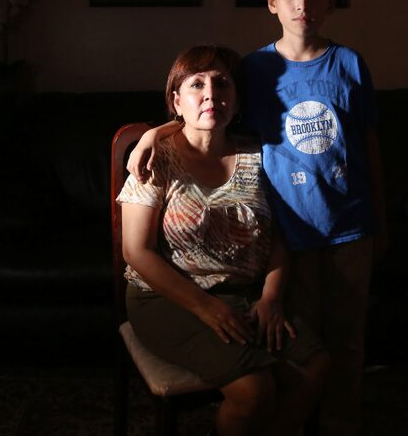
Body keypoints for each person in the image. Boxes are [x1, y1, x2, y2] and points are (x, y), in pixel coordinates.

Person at [128, 0, 388, 435]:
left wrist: (381, 220)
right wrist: (151, 133)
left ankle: (339, 423)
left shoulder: (350, 65)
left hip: (351, 227)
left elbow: (369, 145)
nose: (302, 3)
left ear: (331, 1)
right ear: (272, 2)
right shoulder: (255, 69)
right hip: (292, 230)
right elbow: (202, 107)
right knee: (300, 339)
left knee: (347, 342)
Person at [118, 44, 330, 436]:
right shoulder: (156, 158)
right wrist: (206, 308)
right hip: (166, 298)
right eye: (196, 84)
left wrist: (271, 298)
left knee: (316, 366)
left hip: (246, 293)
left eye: (222, 84)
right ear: (176, 101)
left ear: (237, 99)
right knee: (254, 389)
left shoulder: (260, 155)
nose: (211, 94)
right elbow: (136, 252)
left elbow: (279, 238)